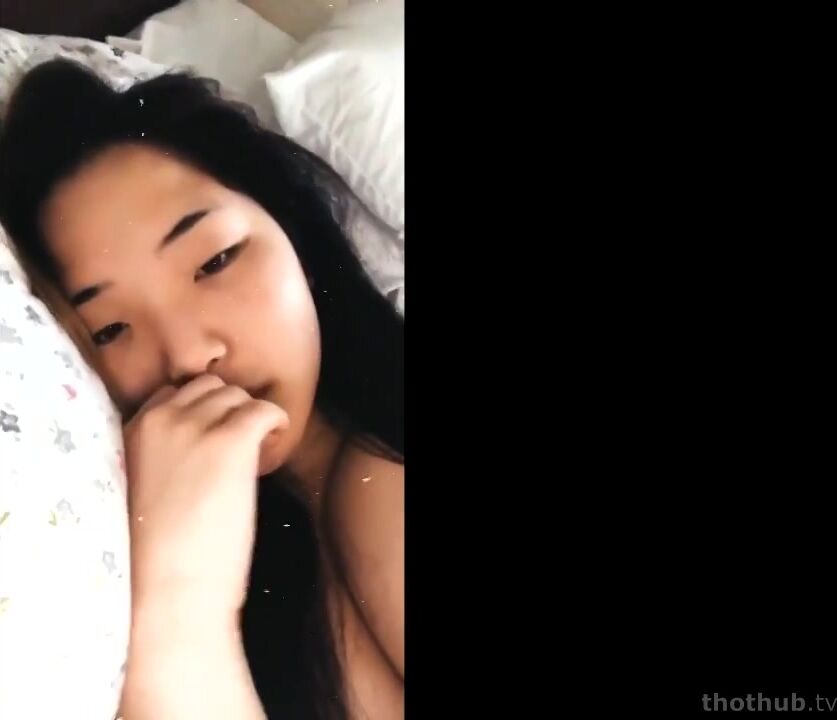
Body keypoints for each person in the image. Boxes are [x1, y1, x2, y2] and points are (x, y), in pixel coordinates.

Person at [0, 58, 404, 720]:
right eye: (110, 330)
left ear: (294, 236)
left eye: (215, 261)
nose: (189, 355)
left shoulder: (383, 478)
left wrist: (180, 614)